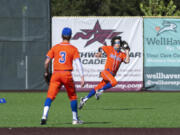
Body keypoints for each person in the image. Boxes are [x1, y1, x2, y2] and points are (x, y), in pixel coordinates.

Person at [40, 27, 85, 125]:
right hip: (66, 74)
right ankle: (75, 119)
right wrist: (82, 77)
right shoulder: (73, 49)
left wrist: (47, 72)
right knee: (72, 97)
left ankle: (44, 116)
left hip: (56, 74)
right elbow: (78, 63)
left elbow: (47, 62)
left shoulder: (55, 47)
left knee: (50, 96)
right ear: (70, 36)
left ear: (61, 36)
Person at [78, 36, 130, 110]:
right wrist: (99, 53)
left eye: (119, 42)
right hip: (106, 72)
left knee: (97, 87)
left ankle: (84, 99)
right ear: (113, 43)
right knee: (114, 82)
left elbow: (127, 61)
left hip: (110, 75)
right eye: (116, 42)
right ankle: (100, 91)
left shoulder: (122, 54)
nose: (117, 44)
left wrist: (127, 51)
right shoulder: (110, 49)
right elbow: (101, 48)